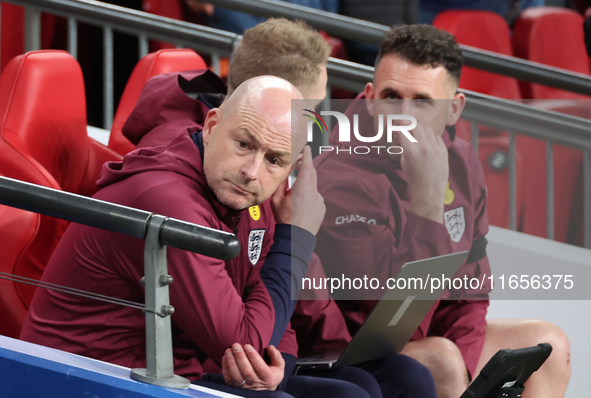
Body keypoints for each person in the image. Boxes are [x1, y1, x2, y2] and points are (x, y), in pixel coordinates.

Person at [122, 18, 436, 398]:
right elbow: (260, 312)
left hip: (223, 352)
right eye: (313, 110)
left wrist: (282, 362)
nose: (254, 168)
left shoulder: (253, 175)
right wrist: (298, 236)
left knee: (401, 376)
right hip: (146, 370)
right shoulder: (201, 181)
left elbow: (265, 286)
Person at [19, 76, 378, 398]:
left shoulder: (245, 195)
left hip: (168, 371)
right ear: (211, 125)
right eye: (243, 144)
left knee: (355, 391)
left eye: (274, 160)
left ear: (291, 168)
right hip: (80, 377)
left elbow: (263, 296)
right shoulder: (167, 201)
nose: (251, 171)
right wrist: (296, 237)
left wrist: (275, 365)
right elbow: (247, 337)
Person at [294, 24, 571, 398]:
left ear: (453, 109)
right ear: (372, 97)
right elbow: (392, 322)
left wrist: (466, 365)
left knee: (548, 343)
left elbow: (470, 291)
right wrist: (427, 205)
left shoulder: (462, 160)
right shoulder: (342, 179)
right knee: (441, 358)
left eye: (423, 101)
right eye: (392, 96)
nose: (402, 118)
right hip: (353, 353)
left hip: (427, 342)